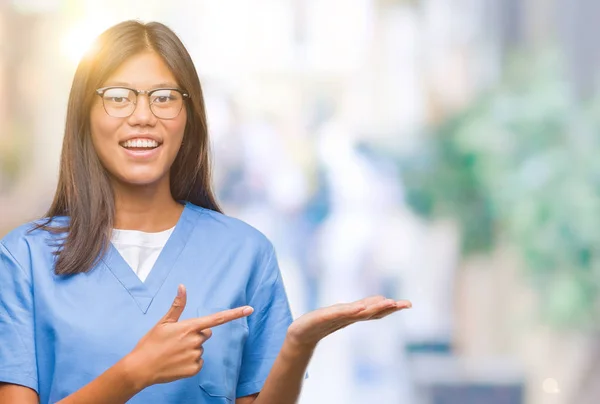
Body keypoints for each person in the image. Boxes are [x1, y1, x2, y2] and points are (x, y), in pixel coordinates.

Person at [0, 20, 412, 404]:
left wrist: (297, 346)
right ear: (84, 116)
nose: (142, 116)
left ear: (190, 117)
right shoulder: (25, 258)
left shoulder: (245, 253)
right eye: (118, 97)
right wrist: (134, 372)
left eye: (163, 98)